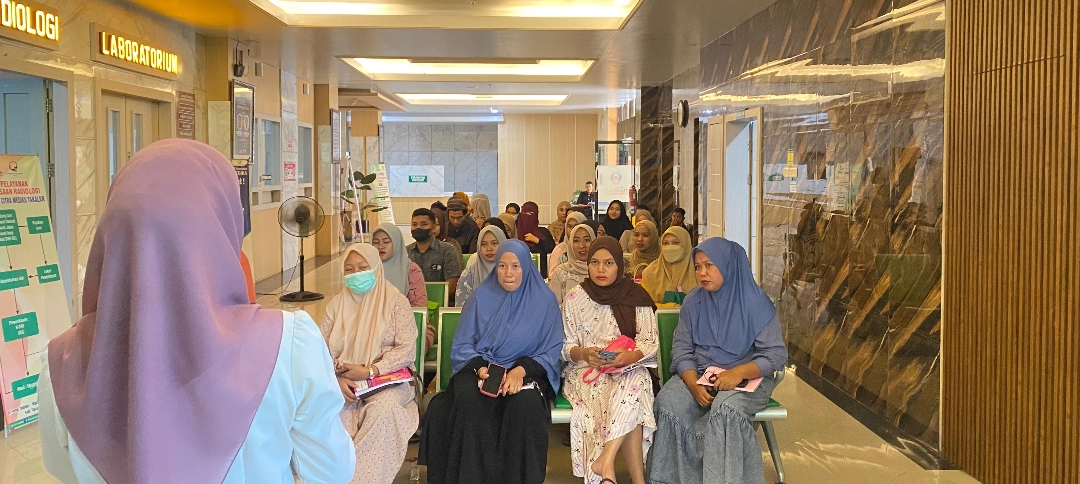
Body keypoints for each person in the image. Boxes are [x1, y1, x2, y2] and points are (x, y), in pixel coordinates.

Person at [39, 139, 354, 483]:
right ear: (222, 223)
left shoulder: (60, 362)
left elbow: (61, 468)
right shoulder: (289, 344)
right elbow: (331, 470)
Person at [419, 240, 564, 484]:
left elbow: (550, 350)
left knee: (525, 405)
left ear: (527, 267)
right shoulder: (480, 297)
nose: (508, 273)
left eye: (516, 266)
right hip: (480, 367)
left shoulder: (545, 301)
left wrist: (520, 370)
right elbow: (463, 345)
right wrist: (481, 368)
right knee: (468, 400)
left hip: (526, 370)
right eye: (502, 266)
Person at [647, 238, 788, 484]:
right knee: (668, 403)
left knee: (726, 410)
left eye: (709, 265)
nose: (702, 273)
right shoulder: (694, 301)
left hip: (749, 376)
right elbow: (681, 348)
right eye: (698, 267)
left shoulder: (756, 303)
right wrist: (692, 383)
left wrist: (738, 373)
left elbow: (774, 355)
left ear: (728, 265)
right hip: (700, 373)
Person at [561, 236, 658, 484]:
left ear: (619, 265)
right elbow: (565, 346)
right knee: (622, 396)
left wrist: (631, 356)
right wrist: (584, 353)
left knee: (636, 381)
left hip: (628, 368)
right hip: (587, 371)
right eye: (594, 262)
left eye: (608, 263)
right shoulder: (575, 297)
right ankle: (635, 479)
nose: (600, 269)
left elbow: (649, 342)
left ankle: (606, 462)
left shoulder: (635, 295)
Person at [322, 243, 419, 484]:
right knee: (335, 417)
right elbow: (319, 351)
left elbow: (407, 350)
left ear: (376, 268)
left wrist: (370, 370)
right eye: (349, 270)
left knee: (382, 411)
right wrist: (336, 379)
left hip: (388, 382)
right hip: (344, 383)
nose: (356, 274)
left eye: (363, 268)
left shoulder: (396, 302)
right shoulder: (336, 306)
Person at [407, 208, 463, 299]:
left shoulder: (448, 250)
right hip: (412, 303)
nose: (418, 227)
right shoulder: (406, 252)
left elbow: (452, 286)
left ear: (433, 227)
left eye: (424, 224)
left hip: (441, 303)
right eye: (414, 224)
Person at [371, 223, 428, 307]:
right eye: (375, 242)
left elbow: (419, 306)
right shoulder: (367, 268)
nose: (380, 246)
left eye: (386, 242)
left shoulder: (411, 269)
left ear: (397, 243)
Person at [641, 226, 698, 304]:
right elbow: (644, 304)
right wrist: (670, 307)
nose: (669, 247)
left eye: (675, 243)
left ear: (686, 244)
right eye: (665, 243)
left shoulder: (699, 271)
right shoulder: (649, 273)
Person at [456, 225, 507, 305]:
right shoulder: (469, 274)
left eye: (494, 243)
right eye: (483, 244)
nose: (489, 249)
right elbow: (461, 307)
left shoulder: (512, 272)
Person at [546, 223, 594, 305]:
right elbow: (553, 306)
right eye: (576, 241)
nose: (582, 245)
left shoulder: (599, 271)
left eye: (587, 240)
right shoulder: (560, 273)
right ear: (570, 244)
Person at [517, 201, 557, 278]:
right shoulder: (515, 233)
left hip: (542, 277)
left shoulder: (543, 233)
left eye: (531, 214)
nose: (528, 217)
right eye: (525, 213)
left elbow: (552, 252)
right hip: (519, 277)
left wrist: (538, 241)